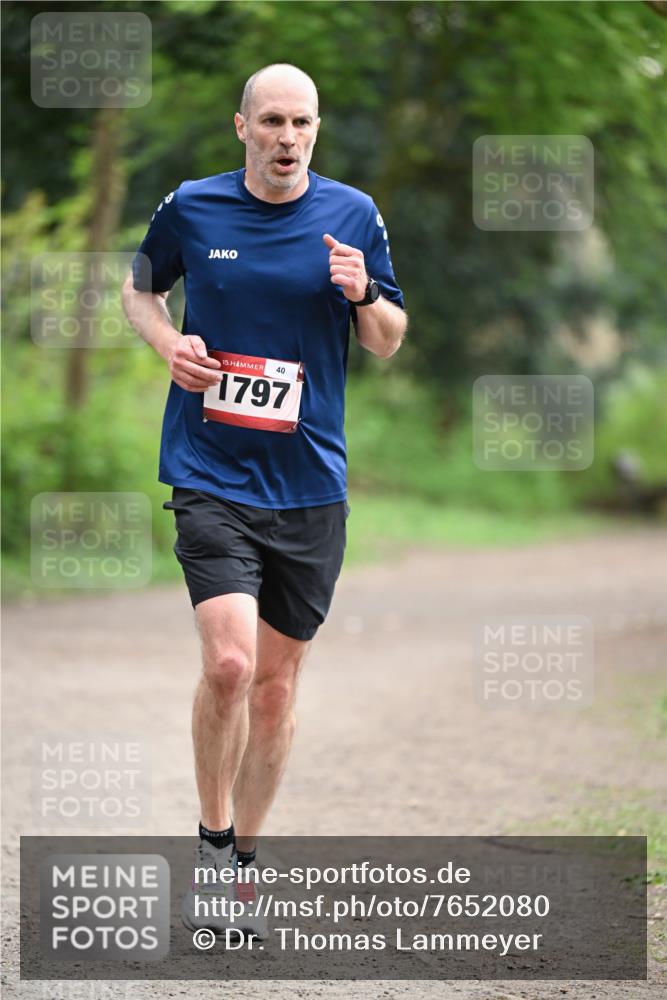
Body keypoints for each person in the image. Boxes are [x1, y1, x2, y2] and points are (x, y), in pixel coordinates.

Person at [122, 63, 407, 937]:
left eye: (304, 123)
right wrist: (169, 342)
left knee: (277, 690)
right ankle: (210, 851)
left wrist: (362, 293)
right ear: (241, 126)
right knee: (231, 667)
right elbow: (140, 290)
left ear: (316, 130)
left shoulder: (351, 216)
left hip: (311, 485)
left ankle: (244, 861)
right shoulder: (192, 208)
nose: (289, 138)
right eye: (274, 121)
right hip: (210, 472)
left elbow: (389, 339)